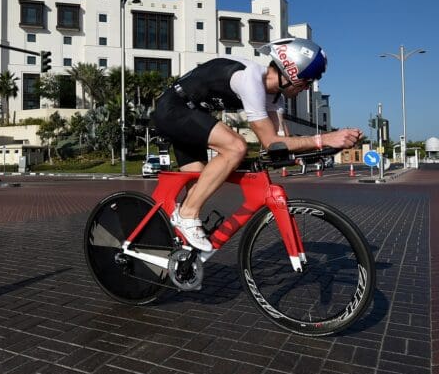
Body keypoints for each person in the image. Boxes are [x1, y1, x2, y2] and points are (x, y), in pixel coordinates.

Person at [153, 37, 361, 251]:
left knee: (199, 186)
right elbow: (271, 141)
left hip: (193, 116)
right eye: (306, 81)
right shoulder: (250, 79)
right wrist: (325, 138)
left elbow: (280, 143)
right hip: (174, 109)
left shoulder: (274, 98)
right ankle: (186, 215)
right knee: (235, 147)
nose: (307, 88)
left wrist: (323, 148)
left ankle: (176, 253)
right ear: (291, 71)